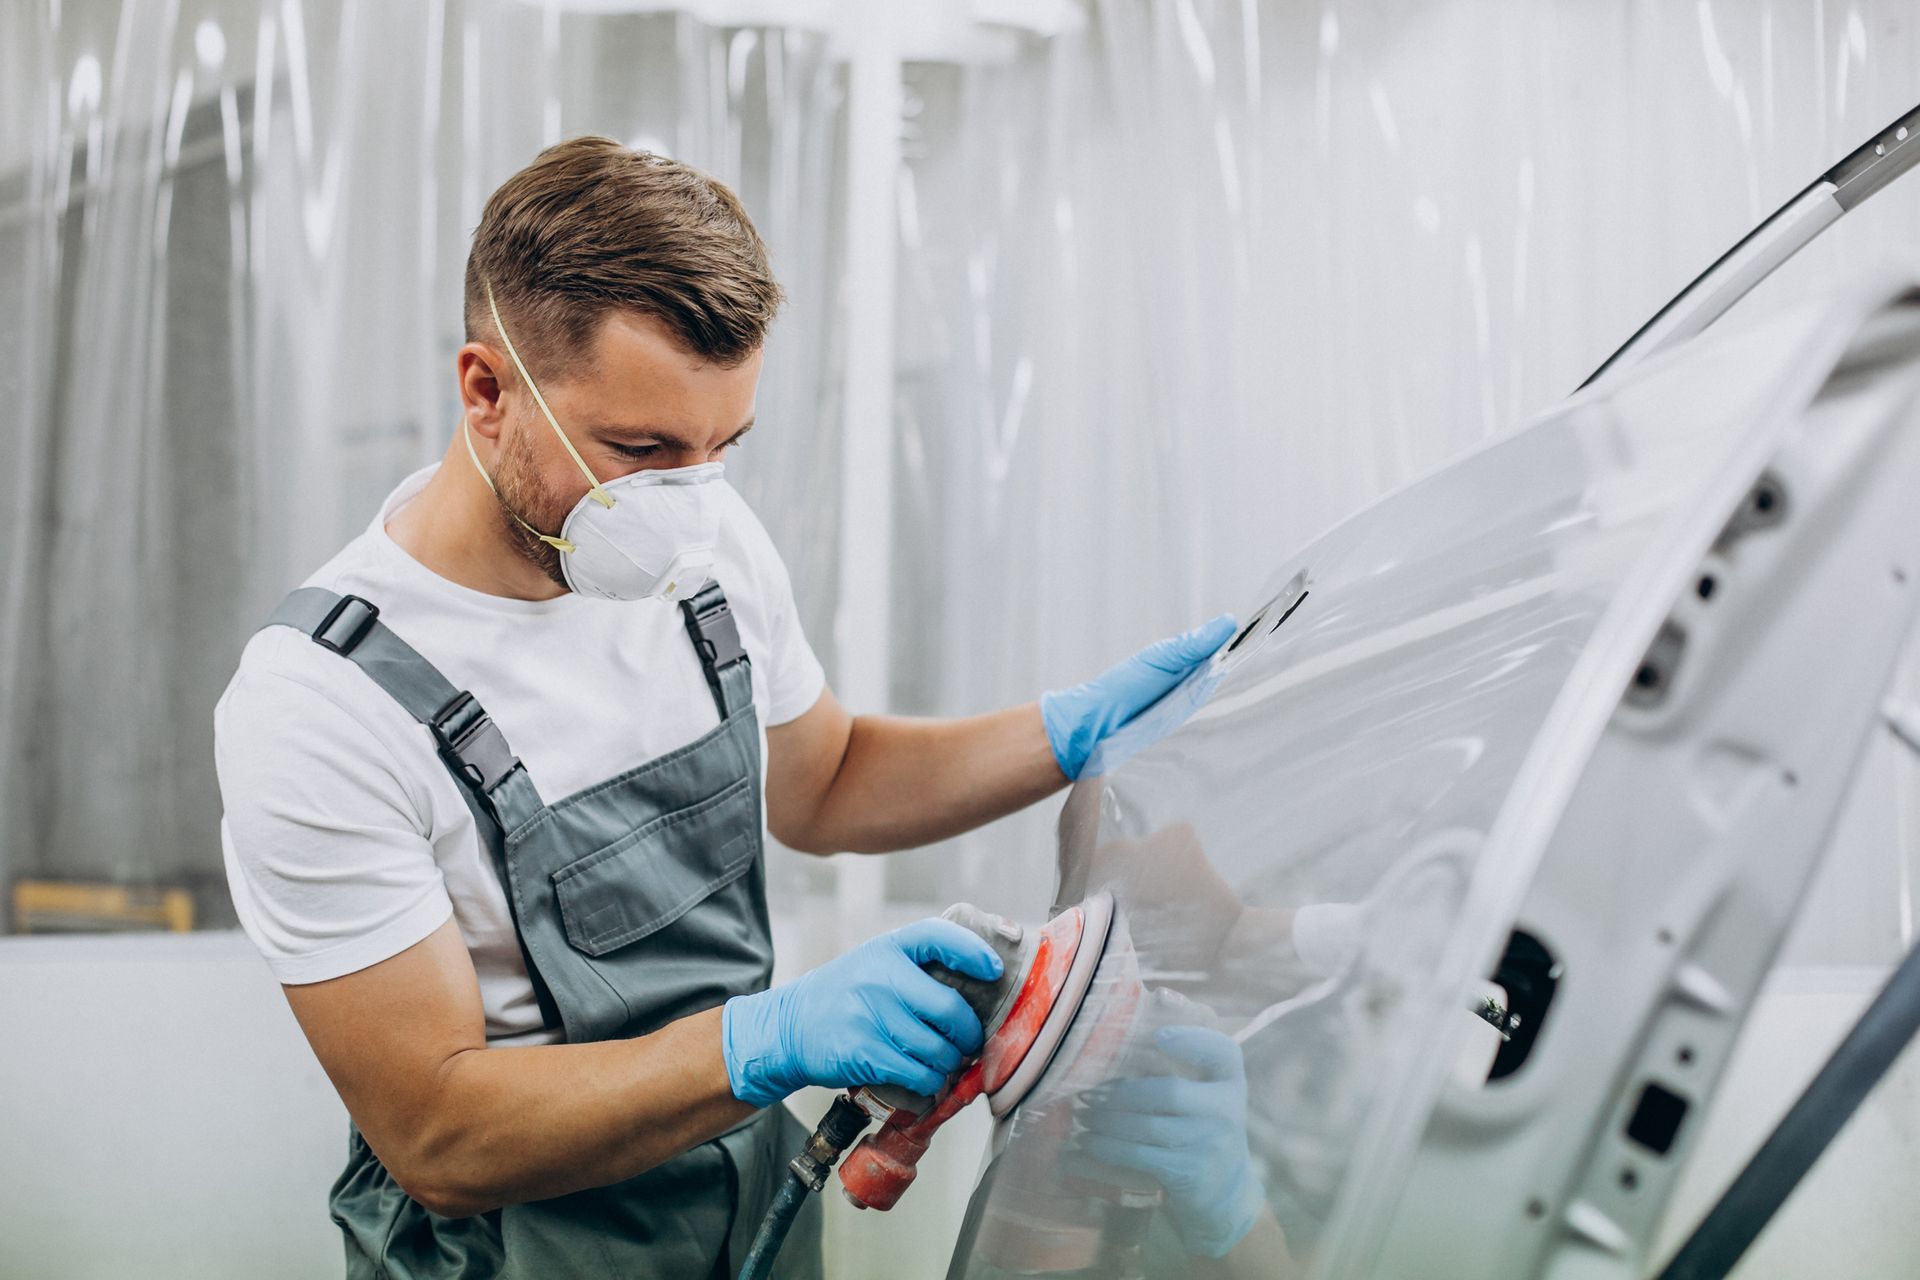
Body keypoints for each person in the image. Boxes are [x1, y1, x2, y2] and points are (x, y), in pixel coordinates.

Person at [214, 136, 1233, 1280]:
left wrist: (1065, 729)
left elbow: (829, 778)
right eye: (640, 449)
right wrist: (768, 1038)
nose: (688, 500)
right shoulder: (321, 704)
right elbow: (440, 1133)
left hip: (749, 1208)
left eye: (722, 446)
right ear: (487, 392)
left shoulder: (704, 547)